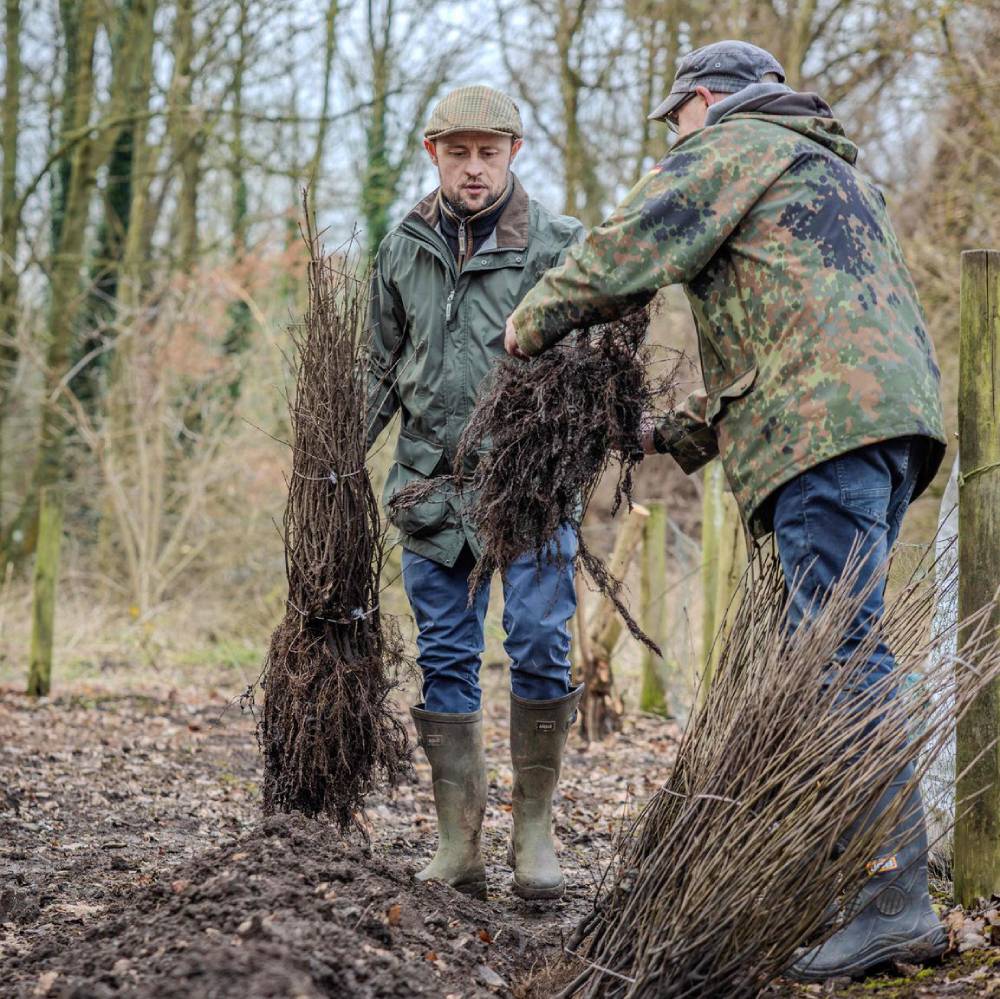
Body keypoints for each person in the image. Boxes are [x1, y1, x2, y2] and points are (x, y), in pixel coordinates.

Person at [503, 41, 948, 978]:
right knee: (834, 648)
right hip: (885, 424)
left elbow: (631, 246)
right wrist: (677, 434)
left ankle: (897, 896)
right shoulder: (828, 169)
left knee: (840, 654)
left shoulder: (734, 145)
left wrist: (533, 317)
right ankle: (860, 878)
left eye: (678, 122)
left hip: (826, 432)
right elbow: (801, 330)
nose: (678, 138)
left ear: (701, 102)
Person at [366, 85, 585, 902]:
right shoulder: (404, 247)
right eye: (457, 152)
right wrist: (329, 456)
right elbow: (377, 367)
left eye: (487, 152)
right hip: (429, 489)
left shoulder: (561, 246)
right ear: (434, 155)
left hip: (529, 491)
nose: (473, 168)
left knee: (538, 643)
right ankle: (458, 845)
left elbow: (593, 373)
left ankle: (534, 834)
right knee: (446, 660)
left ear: (513, 154)